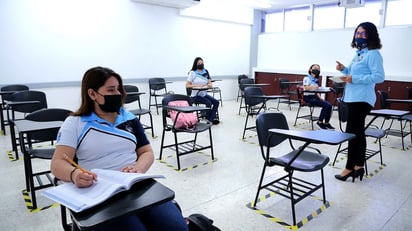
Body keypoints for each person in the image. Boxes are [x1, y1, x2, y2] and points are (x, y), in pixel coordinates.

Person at [50, 66, 188, 231]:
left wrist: (138, 168)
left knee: (176, 227)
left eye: (118, 89)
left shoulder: (129, 119)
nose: (117, 94)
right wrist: (74, 174)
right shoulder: (75, 123)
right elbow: (58, 163)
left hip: (134, 186)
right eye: (110, 90)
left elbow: (146, 152)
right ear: (92, 94)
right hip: (97, 192)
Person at [334, 22, 385, 182]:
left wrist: (354, 78)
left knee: (352, 134)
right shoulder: (359, 54)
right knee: (358, 133)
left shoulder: (373, 54)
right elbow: (350, 72)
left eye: (363, 33)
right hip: (352, 97)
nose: (359, 36)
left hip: (362, 99)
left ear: (371, 35)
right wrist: (343, 69)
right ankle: (358, 166)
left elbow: (379, 77)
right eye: (357, 33)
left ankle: (349, 168)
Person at [186, 57, 220, 125]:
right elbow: (187, 85)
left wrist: (210, 84)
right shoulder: (192, 73)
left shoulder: (206, 71)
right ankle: (210, 120)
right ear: (196, 64)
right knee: (209, 103)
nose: (200, 64)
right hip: (195, 96)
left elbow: (209, 82)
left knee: (216, 102)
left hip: (203, 94)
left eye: (202, 63)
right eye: (199, 63)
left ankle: (210, 119)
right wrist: (196, 85)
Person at [302, 64, 334, 130]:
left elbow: (317, 91)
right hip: (308, 98)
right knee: (326, 105)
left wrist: (320, 97)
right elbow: (306, 88)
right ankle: (320, 122)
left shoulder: (316, 80)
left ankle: (326, 123)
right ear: (310, 69)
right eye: (315, 68)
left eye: (318, 69)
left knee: (330, 105)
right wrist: (313, 87)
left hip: (315, 97)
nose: (317, 69)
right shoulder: (306, 78)